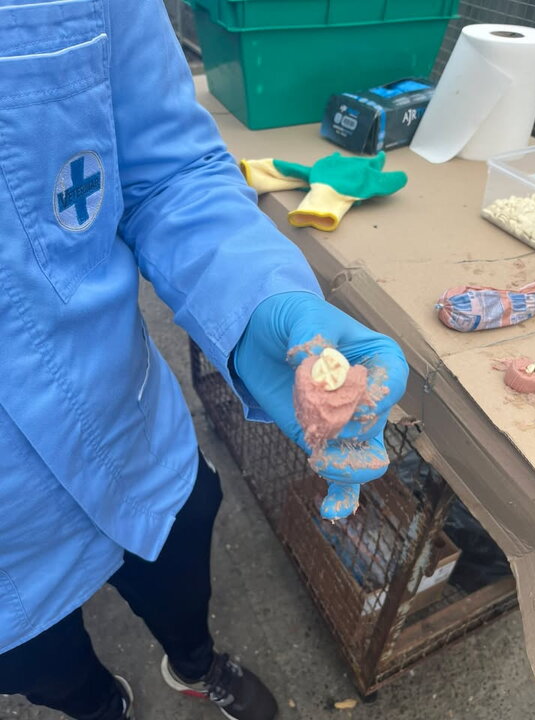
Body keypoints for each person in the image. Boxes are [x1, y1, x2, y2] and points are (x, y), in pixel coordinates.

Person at [0, 1, 408, 719]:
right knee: (44, 666)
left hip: (126, 430)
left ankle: (194, 663)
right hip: (11, 542)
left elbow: (169, 171)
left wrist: (255, 305)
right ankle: (99, 707)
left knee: (183, 573)